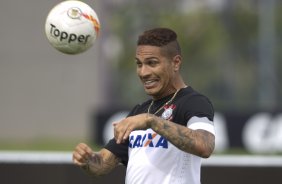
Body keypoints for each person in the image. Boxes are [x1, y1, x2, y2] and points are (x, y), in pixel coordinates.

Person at [73, 28, 215, 184]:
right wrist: (88, 160)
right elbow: (101, 166)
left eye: (152, 63)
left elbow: (205, 145)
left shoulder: (193, 101)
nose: (143, 72)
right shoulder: (139, 111)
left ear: (176, 63)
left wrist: (151, 121)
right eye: (139, 64)